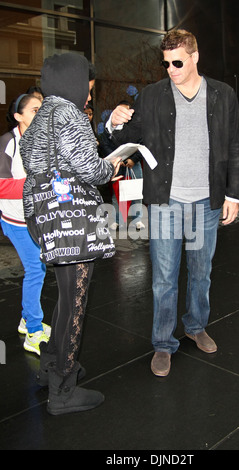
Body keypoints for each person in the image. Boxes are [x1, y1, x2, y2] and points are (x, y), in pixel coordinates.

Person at [106, 29, 239, 377]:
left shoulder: (222, 95)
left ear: (195, 57)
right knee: (164, 278)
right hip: (166, 203)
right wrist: (113, 120)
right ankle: (163, 343)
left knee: (201, 273)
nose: (171, 68)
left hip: (205, 203)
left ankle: (195, 326)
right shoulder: (152, 96)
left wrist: (234, 194)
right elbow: (125, 138)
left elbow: (235, 147)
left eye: (178, 61)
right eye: (166, 62)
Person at [20, 52, 121, 415]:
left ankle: (52, 366)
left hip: (44, 219)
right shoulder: (68, 113)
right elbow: (90, 169)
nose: (89, 97)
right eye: (88, 88)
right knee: (75, 303)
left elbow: (35, 170)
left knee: (64, 298)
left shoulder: (39, 118)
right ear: (74, 82)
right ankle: (63, 390)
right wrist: (112, 164)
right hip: (74, 222)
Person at [0, 93, 50, 355]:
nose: (39, 114)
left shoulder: (40, 140)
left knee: (38, 268)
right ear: (18, 116)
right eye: (34, 110)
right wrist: (34, 184)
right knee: (36, 270)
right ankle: (32, 330)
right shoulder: (8, 143)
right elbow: (1, 185)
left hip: (34, 218)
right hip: (15, 221)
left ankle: (25, 319)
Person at [100, 101, 145, 230]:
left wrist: (133, 159)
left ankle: (138, 219)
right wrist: (117, 159)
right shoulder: (108, 129)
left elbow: (142, 145)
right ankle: (118, 220)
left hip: (132, 165)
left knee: (136, 192)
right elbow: (105, 145)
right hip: (117, 166)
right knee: (117, 193)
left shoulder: (135, 129)